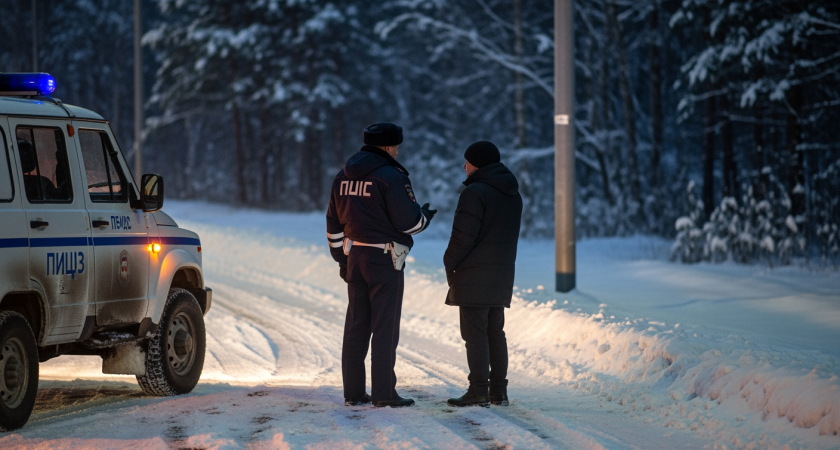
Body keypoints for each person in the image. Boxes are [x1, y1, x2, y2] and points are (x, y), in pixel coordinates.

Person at [326, 122, 436, 408]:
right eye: (396, 147)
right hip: (385, 258)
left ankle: (353, 392)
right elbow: (409, 222)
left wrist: (341, 259)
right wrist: (424, 215)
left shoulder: (342, 177)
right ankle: (384, 393)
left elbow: (333, 223)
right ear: (387, 146)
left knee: (356, 325)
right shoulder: (391, 176)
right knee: (384, 326)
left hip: (355, 256)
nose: (398, 152)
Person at [444, 141, 522, 407]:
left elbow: (463, 236)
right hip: (501, 273)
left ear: (476, 163)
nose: (464, 166)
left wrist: (449, 261)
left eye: (467, 161)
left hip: (473, 273)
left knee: (475, 335)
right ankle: (498, 391)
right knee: (495, 333)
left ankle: (478, 391)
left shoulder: (475, 193)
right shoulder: (512, 193)